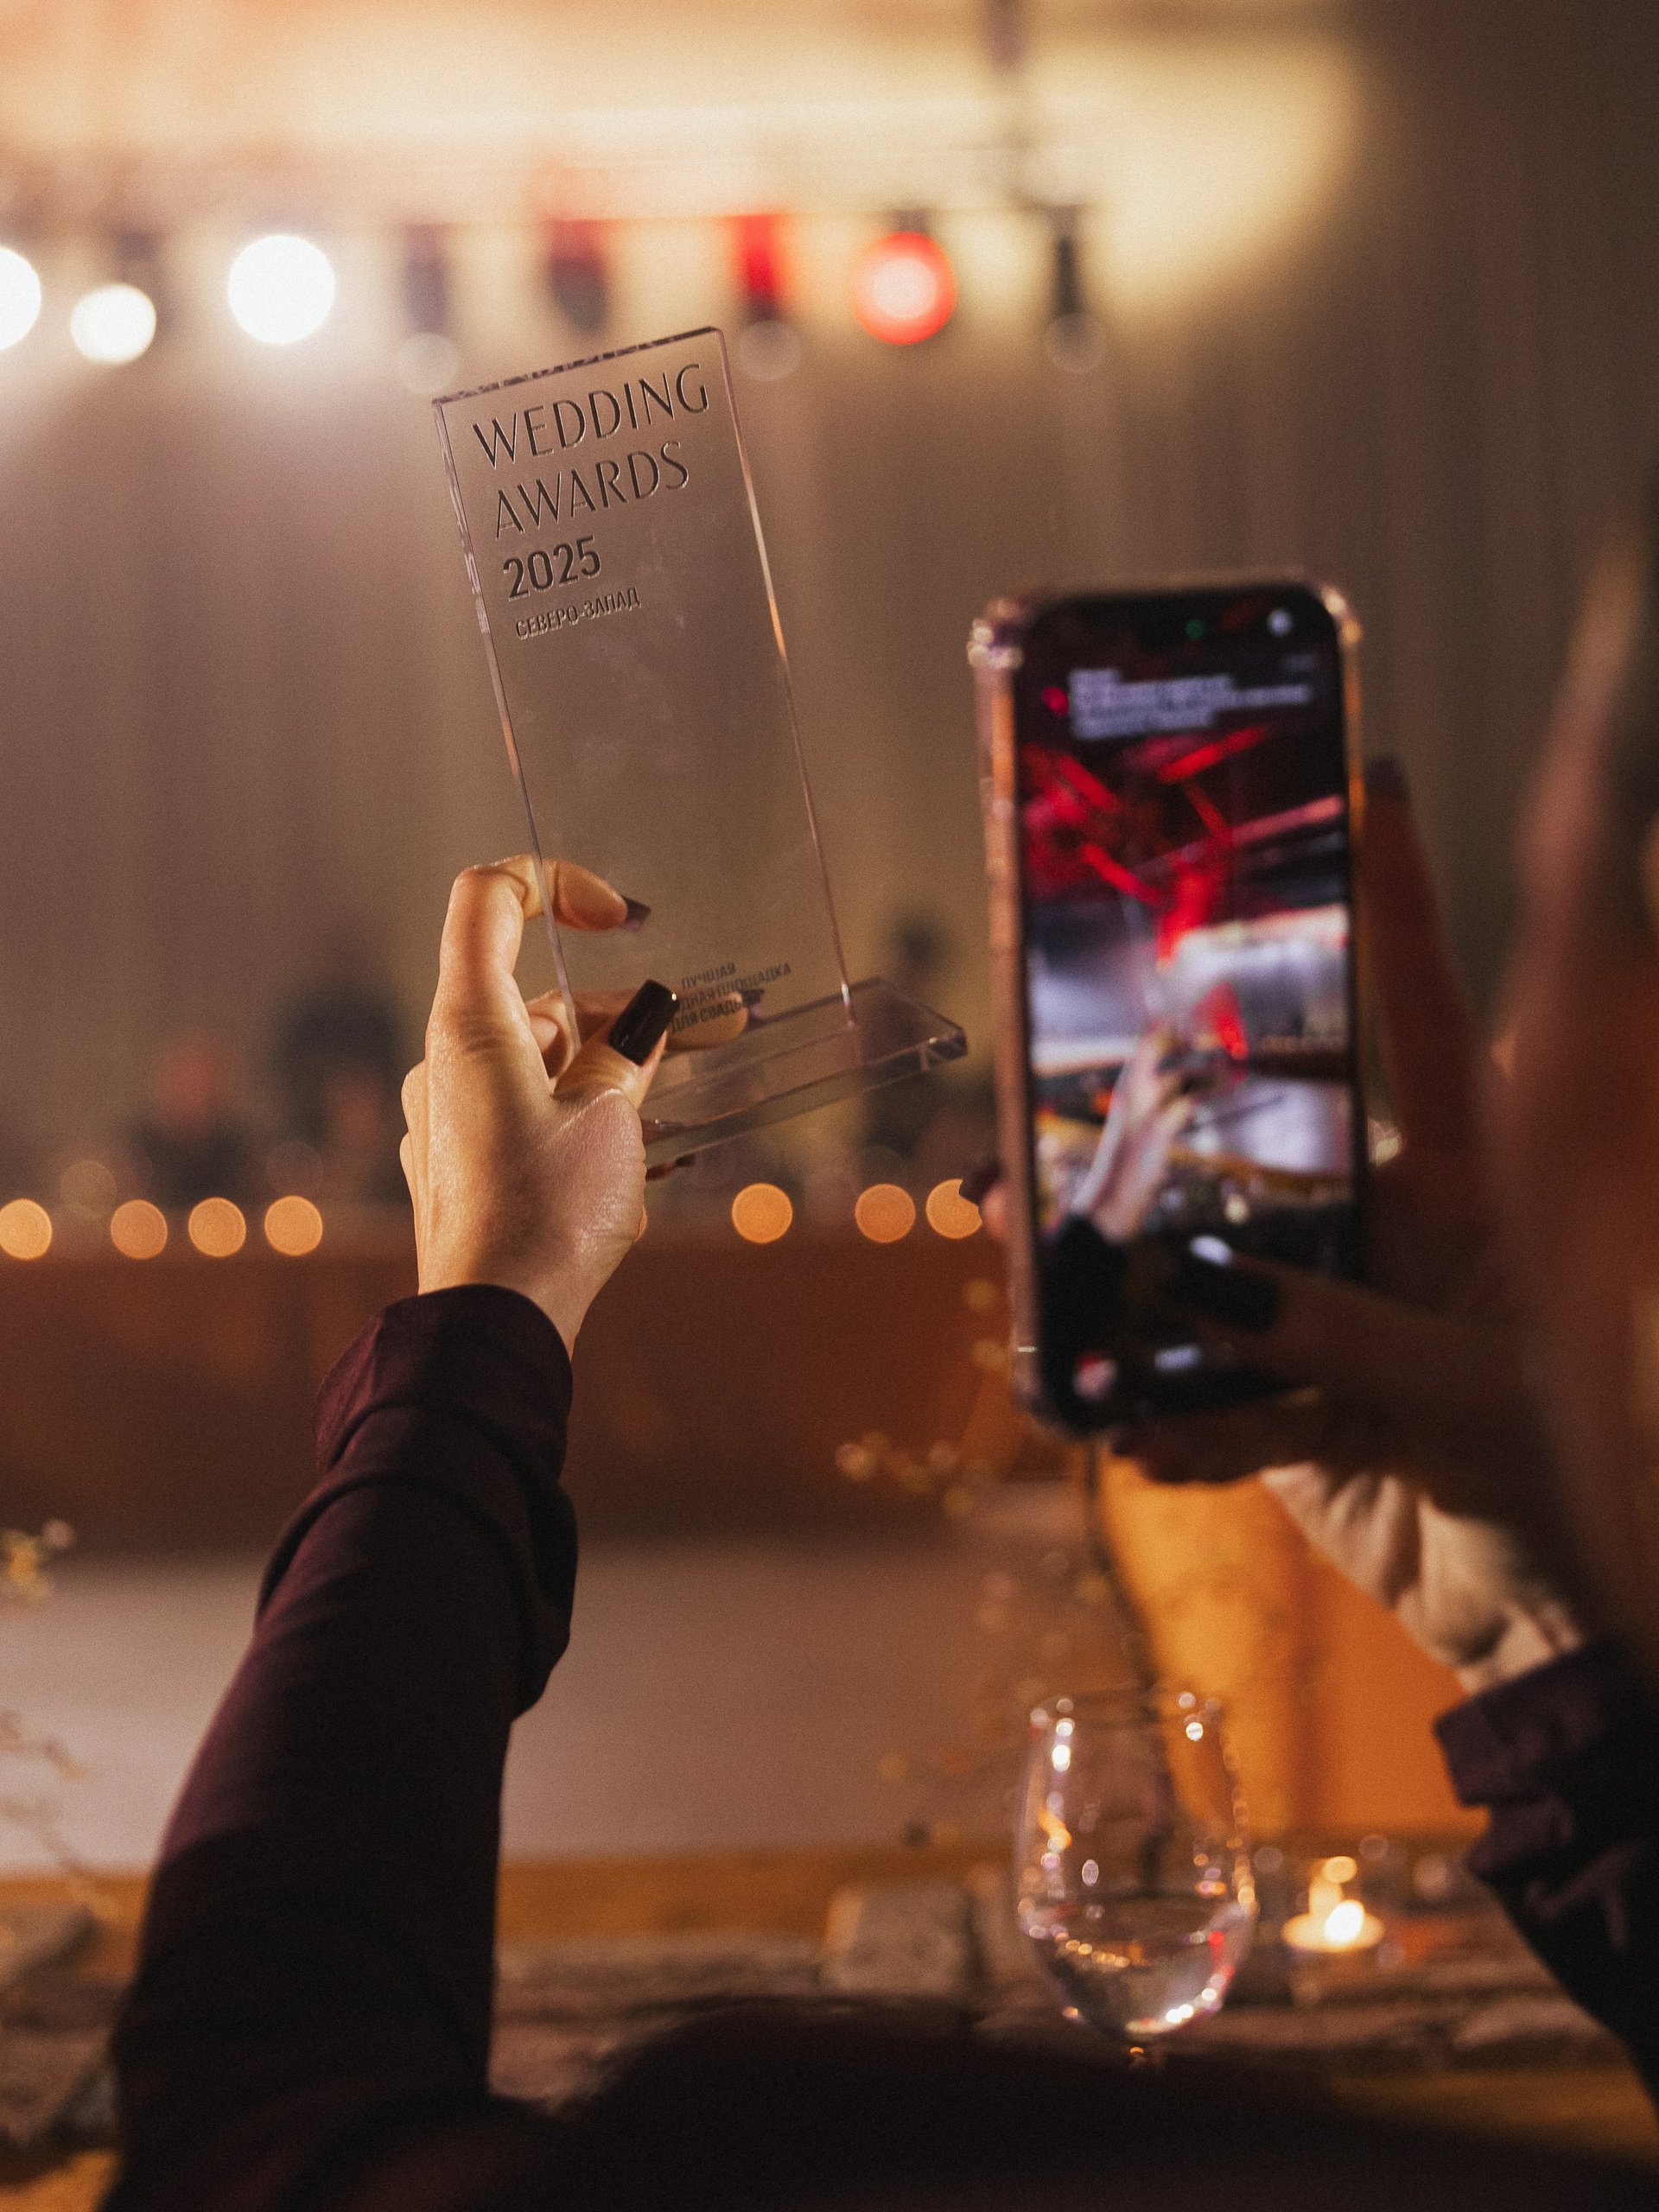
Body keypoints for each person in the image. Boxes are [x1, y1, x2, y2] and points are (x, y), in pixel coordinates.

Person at [103, 495, 1659, 2204]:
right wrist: (1558, 1653)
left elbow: (257, 2130)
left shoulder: (815, 2143)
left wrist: (488, 1310)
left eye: (1553, 925)